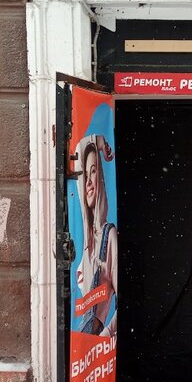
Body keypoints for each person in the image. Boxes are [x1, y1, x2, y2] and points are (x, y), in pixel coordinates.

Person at [74, 135, 118, 337]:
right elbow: (78, 150)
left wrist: (106, 334)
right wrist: (96, 141)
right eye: (85, 176)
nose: (89, 182)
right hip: (80, 337)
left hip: (93, 340)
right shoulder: (85, 237)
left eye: (94, 172)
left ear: (100, 178)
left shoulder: (109, 236)